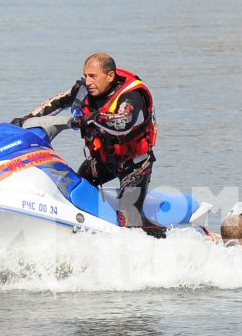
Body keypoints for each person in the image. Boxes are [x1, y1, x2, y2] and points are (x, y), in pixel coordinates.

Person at [15, 53, 163, 235]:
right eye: (86, 75)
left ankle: (163, 236)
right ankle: (72, 231)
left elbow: (123, 123)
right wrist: (25, 120)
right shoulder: (84, 90)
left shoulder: (132, 96)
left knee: (129, 221)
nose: (88, 81)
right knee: (74, 192)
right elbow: (55, 103)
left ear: (110, 76)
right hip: (105, 160)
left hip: (135, 165)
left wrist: (93, 118)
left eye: (93, 76)